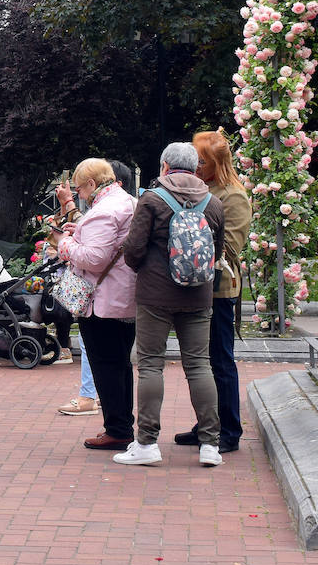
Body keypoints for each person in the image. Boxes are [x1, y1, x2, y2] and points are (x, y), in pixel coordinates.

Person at [117, 142, 227, 467]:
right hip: (198, 296)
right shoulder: (214, 203)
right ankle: (210, 445)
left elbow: (133, 249)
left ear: (165, 166)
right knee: (200, 365)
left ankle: (147, 444)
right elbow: (217, 254)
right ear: (196, 168)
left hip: (155, 296)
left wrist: (147, 271)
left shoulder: (151, 200)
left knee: (151, 364)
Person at [171, 130, 251, 454]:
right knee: (201, 362)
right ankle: (207, 424)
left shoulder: (233, 195)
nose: (195, 165)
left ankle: (229, 429)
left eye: (201, 161)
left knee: (220, 360)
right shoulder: (204, 189)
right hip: (199, 288)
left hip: (219, 290)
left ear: (214, 162)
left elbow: (230, 247)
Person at [49, 158, 137, 450]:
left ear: (91, 183)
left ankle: (117, 429)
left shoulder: (105, 210)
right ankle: (121, 425)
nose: (79, 195)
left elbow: (95, 259)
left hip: (103, 302)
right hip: (121, 297)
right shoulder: (125, 201)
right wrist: (80, 232)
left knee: (107, 366)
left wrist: (63, 242)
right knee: (120, 365)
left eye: (80, 189)